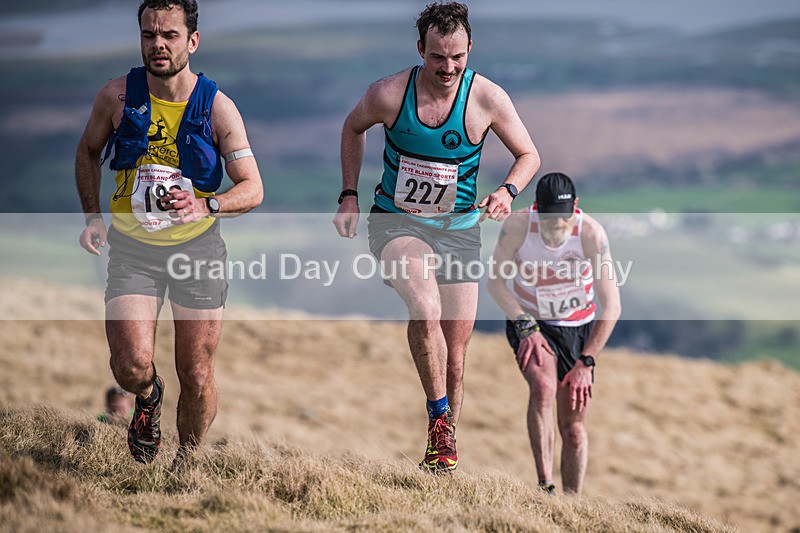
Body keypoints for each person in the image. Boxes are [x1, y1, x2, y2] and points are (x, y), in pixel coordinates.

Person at [333, 2, 541, 474]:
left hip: (460, 231)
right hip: (397, 223)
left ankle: (442, 458)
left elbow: (529, 155)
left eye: (457, 57)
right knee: (426, 309)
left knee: (455, 355)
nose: (448, 68)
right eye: (438, 57)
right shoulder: (389, 94)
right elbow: (352, 127)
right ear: (420, 50)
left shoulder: (487, 98)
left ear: (470, 49)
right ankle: (438, 418)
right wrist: (348, 194)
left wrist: (507, 191)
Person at [75, 0, 263, 464]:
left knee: (196, 373)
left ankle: (187, 463)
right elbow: (88, 152)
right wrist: (92, 216)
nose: (158, 44)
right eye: (149, 35)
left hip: (197, 251)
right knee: (130, 366)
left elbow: (253, 188)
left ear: (192, 41)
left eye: (170, 35)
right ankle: (148, 397)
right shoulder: (116, 96)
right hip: (132, 250)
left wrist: (207, 204)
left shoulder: (218, 108)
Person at [487, 172, 621, 495]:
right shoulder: (518, 227)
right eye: (549, 218)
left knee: (573, 427)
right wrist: (525, 325)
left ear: (575, 207)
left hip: (577, 329)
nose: (557, 225)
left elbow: (612, 306)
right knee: (544, 387)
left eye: (563, 217)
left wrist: (587, 361)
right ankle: (545, 485)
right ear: (536, 208)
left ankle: (572, 502)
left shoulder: (591, 234)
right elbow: (495, 283)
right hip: (531, 322)